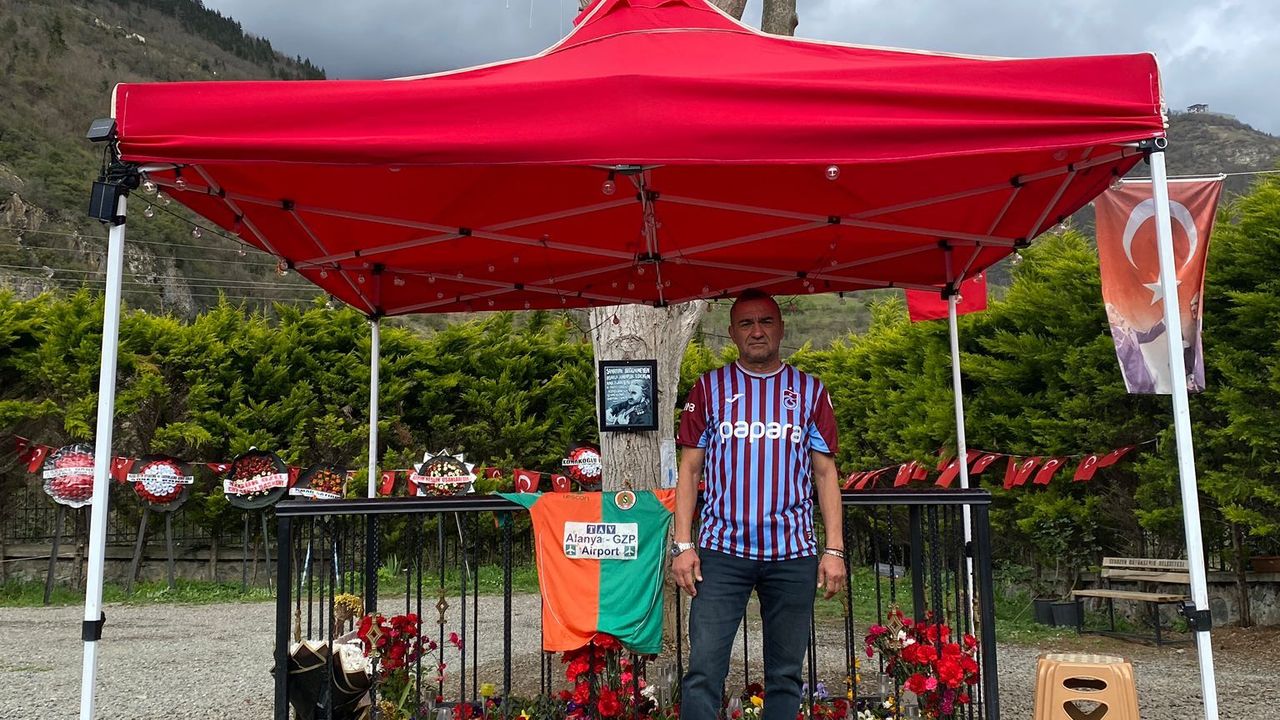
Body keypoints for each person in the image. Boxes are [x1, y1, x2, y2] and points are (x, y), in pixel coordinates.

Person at [671, 289, 846, 720]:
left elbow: (826, 475)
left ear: (781, 328)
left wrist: (834, 550)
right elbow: (689, 471)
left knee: (785, 675)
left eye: (766, 321)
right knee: (703, 671)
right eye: (746, 323)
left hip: (792, 554)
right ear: (732, 333)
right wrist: (682, 545)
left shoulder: (810, 391)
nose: (756, 331)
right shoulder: (708, 389)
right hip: (721, 553)